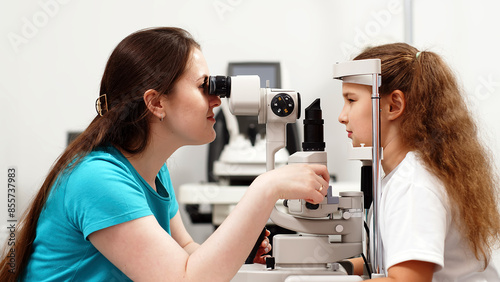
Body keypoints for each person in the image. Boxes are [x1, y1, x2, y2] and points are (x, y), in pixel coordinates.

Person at [0, 27, 330, 281]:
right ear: (157, 102)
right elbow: (185, 278)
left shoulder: (155, 171)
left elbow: (186, 253)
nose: (217, 99)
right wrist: (266, 187)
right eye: (205, 87)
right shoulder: (97, 178)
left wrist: (235, 249)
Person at [339, 43, 500, 281]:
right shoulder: (405, 175)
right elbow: (388, 260)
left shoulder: (413, 184)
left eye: (351, 100)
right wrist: (336, 269)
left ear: (393, 105)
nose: (342, 116)